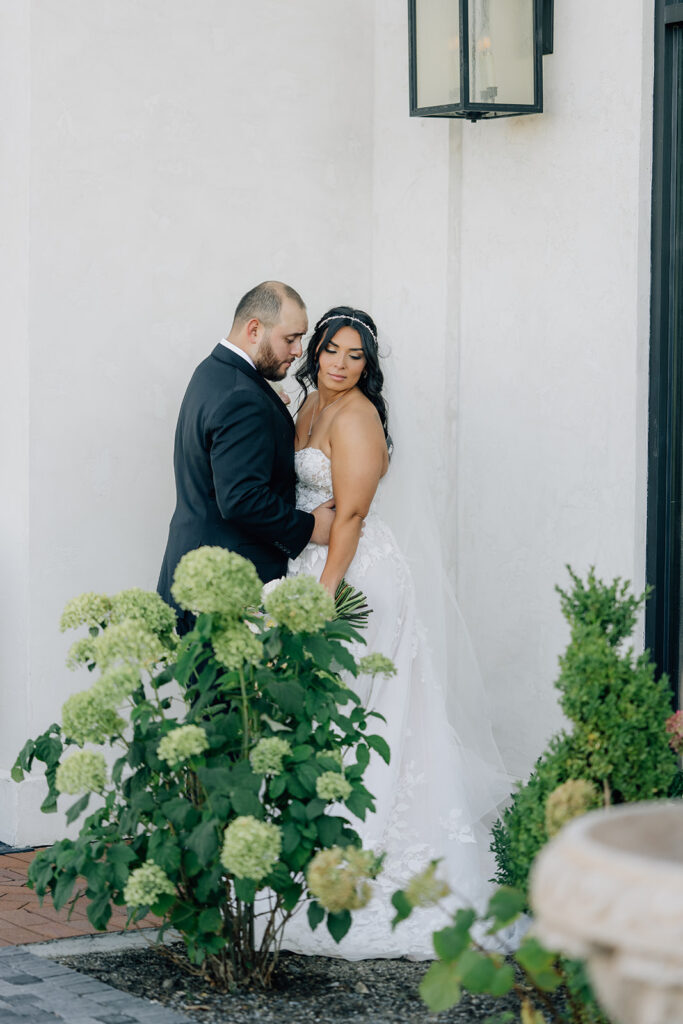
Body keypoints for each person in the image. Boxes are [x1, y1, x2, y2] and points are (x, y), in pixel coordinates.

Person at [280, 306, 514, 959]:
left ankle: (376, 864)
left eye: (355, 356)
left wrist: (324, 589)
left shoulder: (357, 417)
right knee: (326, 718)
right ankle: (320, 860)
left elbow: (350, 513)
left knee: (366, 714)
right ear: (316, 350)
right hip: (313, 565)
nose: (340, 363)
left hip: (355, 578)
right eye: (332, 349)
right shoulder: (306, 406)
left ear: (368, 366)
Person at [157, 281, 335, 633]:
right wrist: (310, 527)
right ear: (255, 328)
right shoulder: (243, 397)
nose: (299, 350)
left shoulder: (213, 372)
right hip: (222, 594)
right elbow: (241, 499)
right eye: (291, 338)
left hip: (194, 573)